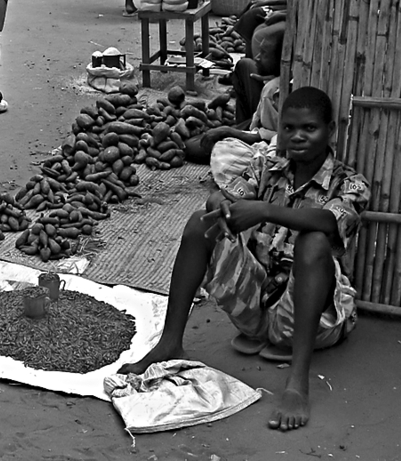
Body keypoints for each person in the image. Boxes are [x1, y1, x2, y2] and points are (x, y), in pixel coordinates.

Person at [119, 87, 371, 432]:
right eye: (288, 128)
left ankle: (297, 382)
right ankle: (170, 343)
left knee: (313, 243)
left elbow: (329, 222)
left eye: (309, 129)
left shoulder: (351, 183)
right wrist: (220, 206)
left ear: (331, 130)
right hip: (257, 304)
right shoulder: (266, 166)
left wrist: (266, 210)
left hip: (316, 322)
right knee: (199, 223)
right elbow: (222, 197)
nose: (297, 137)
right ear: (278, 129)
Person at [185, 23, 284, 164]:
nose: (257, 57)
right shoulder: (276, 82)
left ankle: (237, 135)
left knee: (193, 147)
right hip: (258, 125)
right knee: (245, 65)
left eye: (264, 54)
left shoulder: (272, 92)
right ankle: (240, 126)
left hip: (265, 143)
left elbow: (272, 138)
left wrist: (229, 132)